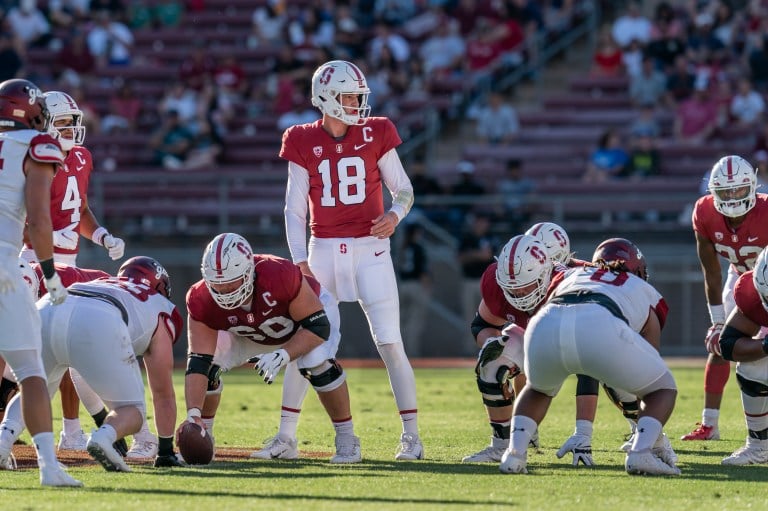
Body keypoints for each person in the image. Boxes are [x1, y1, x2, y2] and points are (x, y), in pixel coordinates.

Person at [280, 60, 422, 460]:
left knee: (391, 343)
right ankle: (286, 436)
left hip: (370, 251)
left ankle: (411, 436)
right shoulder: (300, 138)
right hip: (321, 251)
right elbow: (294, 209)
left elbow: (404, 191)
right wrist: (298, 261)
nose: (357, 104)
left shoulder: (377, 130)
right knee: (308, 344)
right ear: (326, 98)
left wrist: (394, 216)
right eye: (349, 96)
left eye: (359, 96)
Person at [497, 236, 680, 476]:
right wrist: (655, 436)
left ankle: (514, 455)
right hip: (599, 321)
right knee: (662, 388)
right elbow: (648, 367)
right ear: (638, 268)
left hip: (545, 322)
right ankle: (641, 453)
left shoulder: (573, 274)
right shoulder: (643, 288)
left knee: (538, 389)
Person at [18, 90, 136, 457]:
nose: (71, 129)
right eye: (64, 122)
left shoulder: (82, 156)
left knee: (71, 345)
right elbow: (25, 218)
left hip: (66, 264)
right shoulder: (32, 160)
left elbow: (80, 209)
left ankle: (71, 429)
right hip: (33, 261)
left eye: (74, 122)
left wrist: (101, 235)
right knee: (19, 351)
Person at [182, 233, 362, 464]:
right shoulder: (200, 298)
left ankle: (347, 438)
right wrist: (192, 416)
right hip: (252, 332)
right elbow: (197, 361)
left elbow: (317, 328)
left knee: (316, 362)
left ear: (249, 272)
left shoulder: (278, 274)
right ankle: (204, 433)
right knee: (208, 368)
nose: (224, 289)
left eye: (230, 281)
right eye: (216, 283)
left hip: (304, 322)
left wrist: (283, 354)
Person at [0, 256, 184, 471]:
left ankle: (3, 442)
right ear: (160, 286)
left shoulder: (101, 282)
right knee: (133, 410)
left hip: (49, 306)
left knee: (32, 393)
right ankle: (103, 437)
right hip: (99, 317)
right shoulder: (161, 305)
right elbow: (163, 393)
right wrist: (165, 451)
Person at [0, 78, 81, 487]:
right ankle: (49, 466)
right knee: (32, 369)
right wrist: (50, 274)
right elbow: (38, 218)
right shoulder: (36, 144)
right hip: (3, 263)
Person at [682, 155, 768, 441]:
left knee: (760, 359)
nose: (732, 198)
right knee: (720, 345)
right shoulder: (704, 212)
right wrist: (717, 322)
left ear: (752, 187)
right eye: (725, 191)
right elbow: (711, 273)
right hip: (738, 277)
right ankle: (710, 424)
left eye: (738, 190)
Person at [717, 246, 768, 464]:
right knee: (752, 367)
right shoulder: (753, 293)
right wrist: (766, 345)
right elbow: (729, 344)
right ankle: (759, 446)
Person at [397, 223, 430, 356]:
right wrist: (427, 287)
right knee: (415, 323)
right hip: (416, 285)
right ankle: (412, 353)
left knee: (401, 322)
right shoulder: (418, 248)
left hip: (403, 285)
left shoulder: (402, 248)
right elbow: (423, 271)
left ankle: (400, 352)